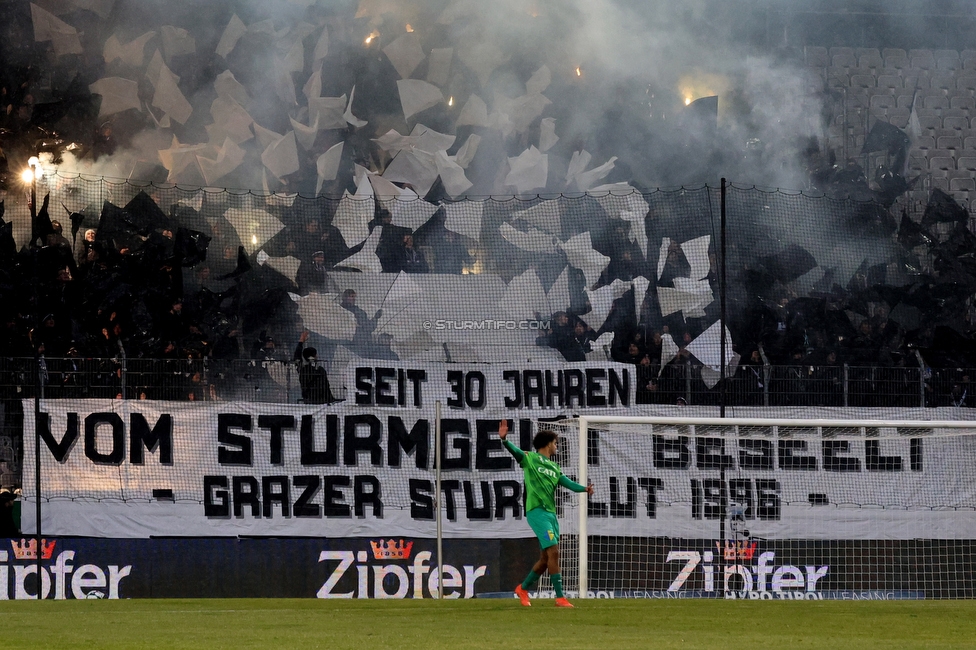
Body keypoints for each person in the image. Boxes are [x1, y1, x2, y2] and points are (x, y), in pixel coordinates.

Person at [498, 419, 593, 608]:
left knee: (545, 558)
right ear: (549, 443)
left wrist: (584, 489)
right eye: (556, 442)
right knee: (554, 552)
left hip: (550, 514)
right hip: (537, 512)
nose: (557, 446)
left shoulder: (555, 468)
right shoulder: (530, 458)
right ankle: (560, 597)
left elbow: (569, 484)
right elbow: (516, 452)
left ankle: (522, 589)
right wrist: (505, 440)